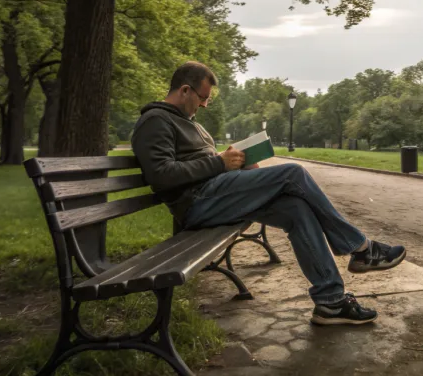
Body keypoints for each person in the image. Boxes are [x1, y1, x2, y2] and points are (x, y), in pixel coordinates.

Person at [132, 61, 406, 325]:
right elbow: (162, 176)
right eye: (202, 98)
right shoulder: (155, 120)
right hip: (197, 204)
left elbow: (200, 165)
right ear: (184, 90)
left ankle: (331, 302)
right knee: (293, 173)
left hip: (216, 195)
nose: (204, 104)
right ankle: (360, 248)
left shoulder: (192, 124)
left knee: (297, 210)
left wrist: (241, 163)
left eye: (208, 100)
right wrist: (219, 162)